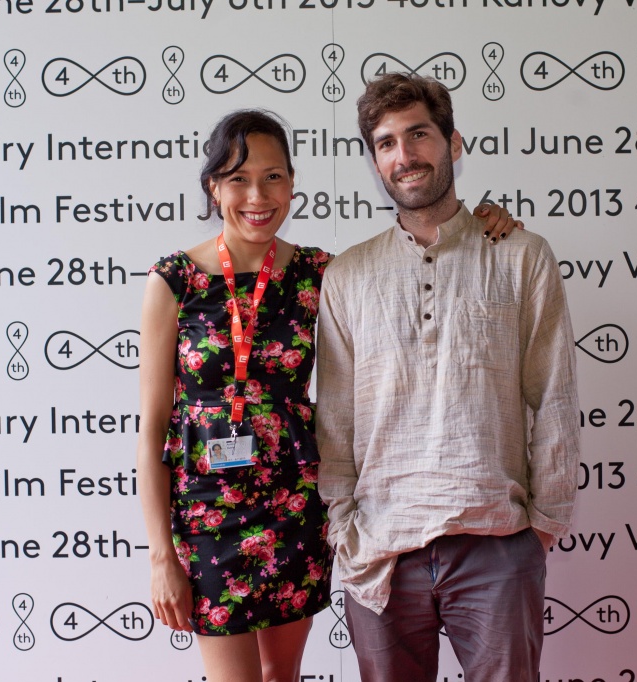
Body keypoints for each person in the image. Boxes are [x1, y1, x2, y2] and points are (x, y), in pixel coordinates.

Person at [136, 108, 523, 682]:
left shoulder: (322, 273)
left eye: (273, 177)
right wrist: (161, 555)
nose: (257, 195)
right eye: (238, 178)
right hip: (205, 514)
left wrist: (485, 222)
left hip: (294, 506)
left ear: (292, 183)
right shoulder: (174, 280)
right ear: (213, 186)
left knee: (282, 677)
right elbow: (150, 433)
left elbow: (413, 261)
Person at [316, 73, 582, 682]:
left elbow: (555, 397)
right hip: (381, 551)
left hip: (495, 541)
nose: (404, 156)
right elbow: (334, 418)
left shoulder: (519, 254)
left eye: (418, 135)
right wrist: (343, 527)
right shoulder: (349, 275)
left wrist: (541, 529)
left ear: (453, 143)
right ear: (375, 161)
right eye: (385, 144)